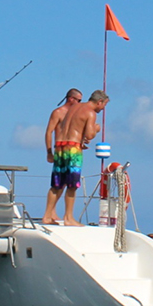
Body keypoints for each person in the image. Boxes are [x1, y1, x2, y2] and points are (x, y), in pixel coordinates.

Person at [42, 90, 108, 225]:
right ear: (99, 102)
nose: (103, 108)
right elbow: (89, 135)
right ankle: (68, 217)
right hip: (73, 149)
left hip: (60, 147)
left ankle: (47, 216)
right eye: (104, 105)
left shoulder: (73, 108)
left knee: (56, 184)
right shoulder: (90, 113)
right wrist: (96, 129)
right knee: (72, 185)